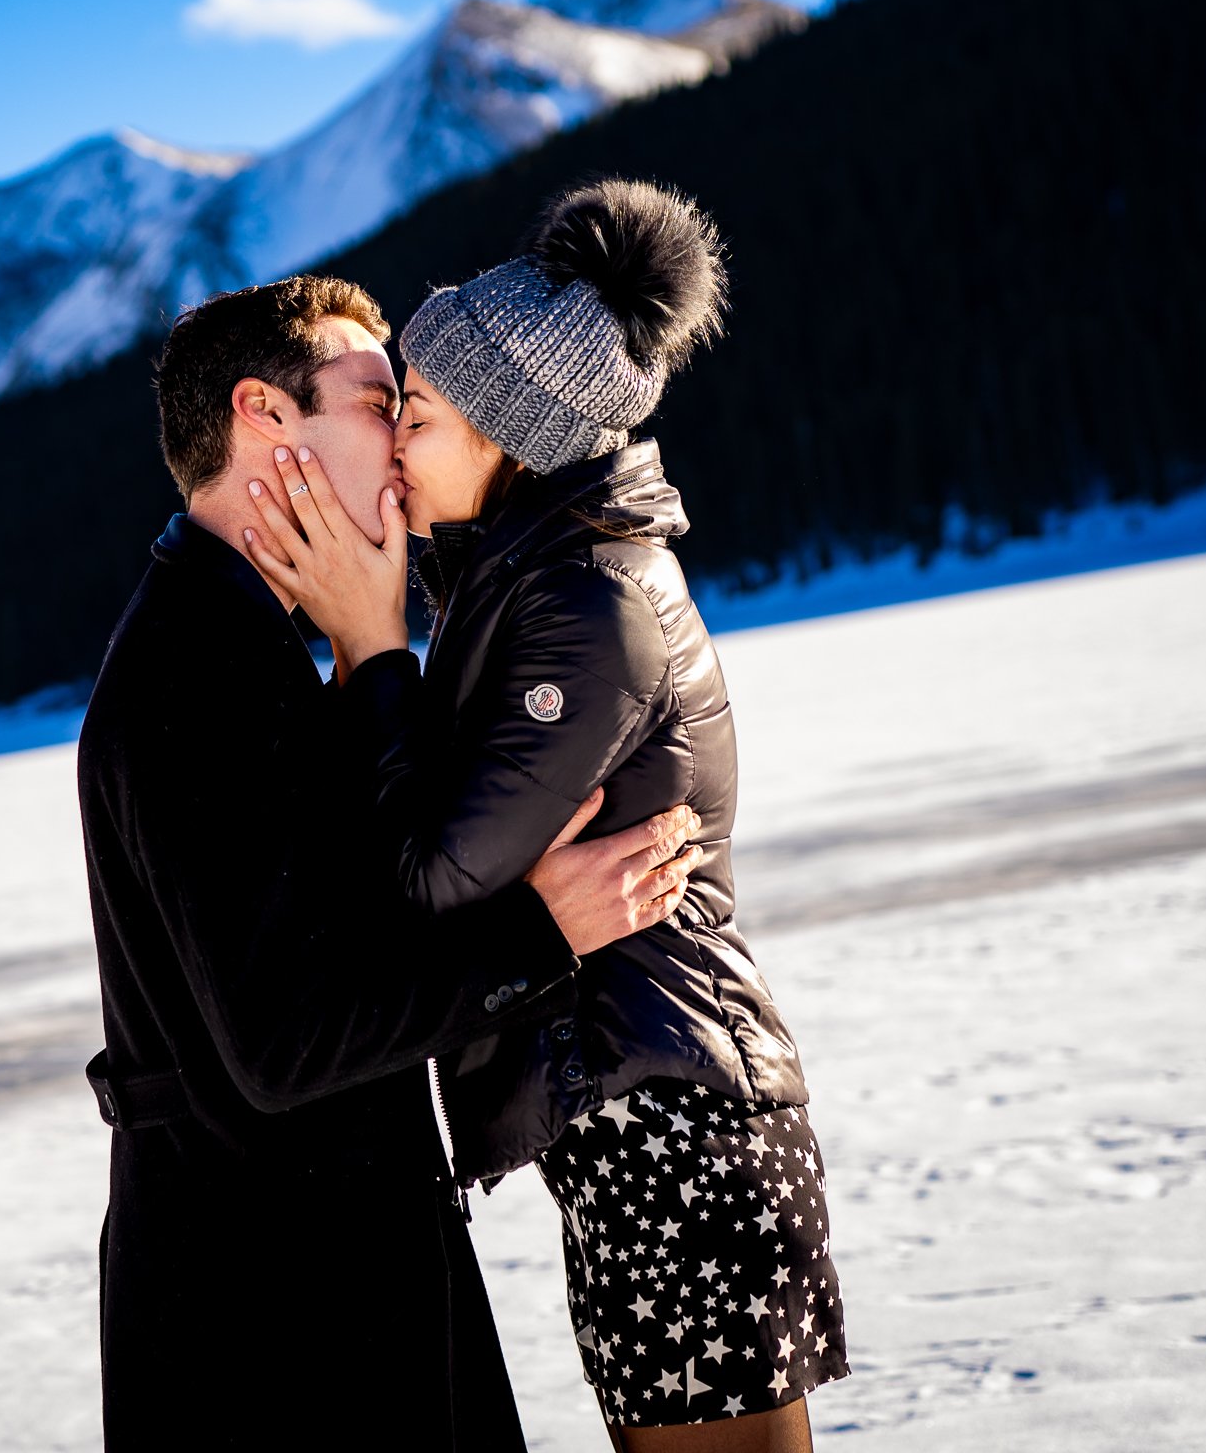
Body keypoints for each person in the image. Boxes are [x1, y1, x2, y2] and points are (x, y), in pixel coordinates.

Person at [242, 180, 848, 1452]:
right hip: (637, 1128)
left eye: (419, 413)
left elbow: (432, 881)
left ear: (510, 434)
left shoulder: (584, 610)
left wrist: (370, 650)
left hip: (673, 1137)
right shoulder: (528, 580)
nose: (396, 440)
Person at [78, 273, 712, 1450]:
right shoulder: (197, 674)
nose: (409, 438)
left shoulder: (238, 639)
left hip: (312, 1294)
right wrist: (543, 931)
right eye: (382, 401)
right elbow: (286, 1043)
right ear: (268, 418)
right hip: (279, 1336)